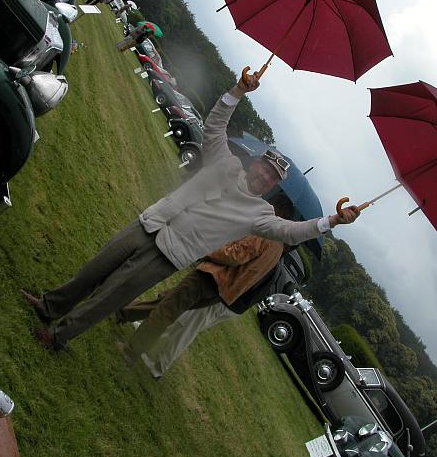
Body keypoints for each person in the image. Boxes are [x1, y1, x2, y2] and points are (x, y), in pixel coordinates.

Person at [20, 71, 360, 351]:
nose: (264, 176)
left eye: (272, 177)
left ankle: (60, 336)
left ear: (273, 185)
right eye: (265, 168)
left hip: (170, 252)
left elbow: (291, 232)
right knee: (95, 269)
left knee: (113, 294)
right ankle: (51, 306)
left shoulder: (260, 215)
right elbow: (214, 127)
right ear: (256, 162)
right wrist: (239, 91)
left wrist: (330, 221)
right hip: (152, 221)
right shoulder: (224, 162)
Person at [115, 194, 293, 364]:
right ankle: (125, 313)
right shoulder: (278, 248)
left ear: (276, 211)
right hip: (223, 291)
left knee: (167, 309)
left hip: (213, 277)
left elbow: (235, 255)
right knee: (168, 300)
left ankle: (131, 351)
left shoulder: (266, 233)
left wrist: (207, 249)